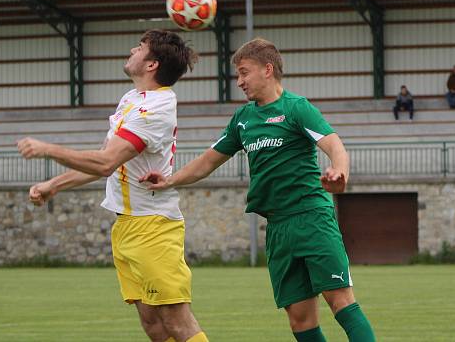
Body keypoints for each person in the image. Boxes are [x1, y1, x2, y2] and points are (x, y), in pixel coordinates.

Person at [141, 38, 376, 342]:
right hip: (277, 227)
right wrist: (170, 180)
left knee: (340, 301)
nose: (239, 82)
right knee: (299, 320)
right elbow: (207, 161)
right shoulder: (243, 119)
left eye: (243, 73)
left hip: (311, 217)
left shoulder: (296, 108)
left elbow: (334, 145)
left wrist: (340, 172)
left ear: (267, 70)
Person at [19, 30, 209, 342]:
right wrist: (55, 185)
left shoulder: (155, 109)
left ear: (152, 64)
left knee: (177, 322)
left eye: (141, 47)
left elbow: (104, 162)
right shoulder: (132, 99)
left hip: (153, 228)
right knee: (154, 325)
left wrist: (47, 149)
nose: (133, 49)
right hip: (126, 227)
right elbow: (107, 163)